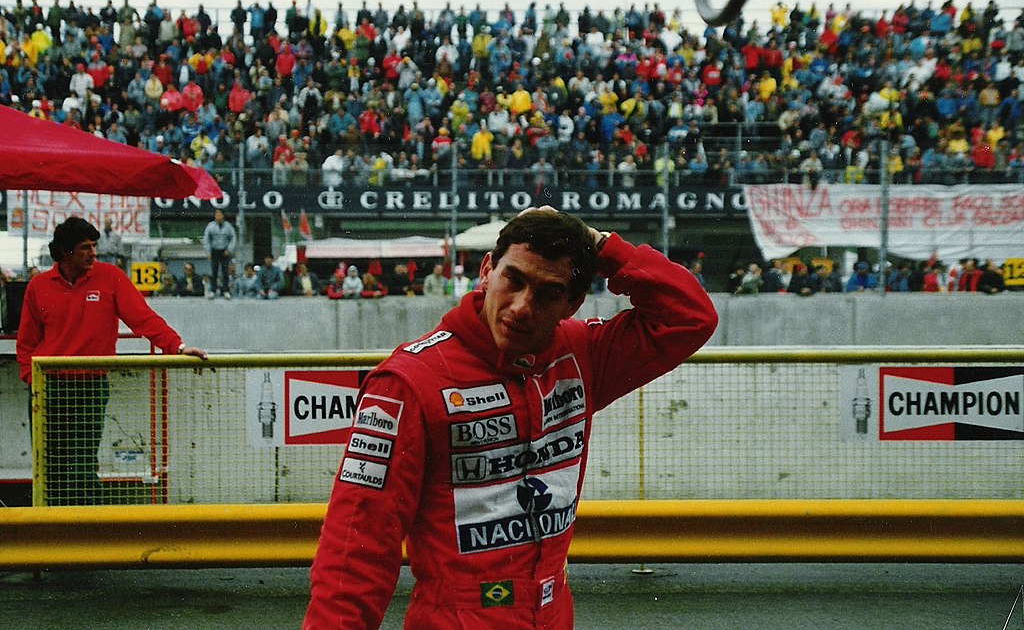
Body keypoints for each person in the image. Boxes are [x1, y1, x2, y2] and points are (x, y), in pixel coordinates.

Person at [304, 207, 717, 629]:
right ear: (487, 271)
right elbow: (354, 551)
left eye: (548, 292)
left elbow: (690, 317)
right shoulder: (408, 382)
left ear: (572, 303)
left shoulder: (582, 354)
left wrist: (600, 245)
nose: (521, 307)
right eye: (513, 280)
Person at [16, 217, 207, 506]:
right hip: (48, 388)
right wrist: (33, 382)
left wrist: (177, 347)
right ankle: (52, 527)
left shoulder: (110, 277)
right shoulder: (38, 286)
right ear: (66, 251)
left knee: (81, 467)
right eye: (85, 247)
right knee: (48, 468)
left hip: (90, 387)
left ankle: (85, 526)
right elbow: (26, 342)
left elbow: (143, 318)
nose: (93, 253)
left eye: (94, 246)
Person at [202, 210, 237, 298]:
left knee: (225, 271)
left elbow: (233, 238)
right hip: (214, 251)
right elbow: (206, 239)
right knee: (214, 271)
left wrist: (229, 249)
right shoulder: (210, 226)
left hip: (225, 251)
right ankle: (213, 290)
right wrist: (208, 252)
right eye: (216, 214)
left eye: (219, 214)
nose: (218, 216)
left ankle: (226, 291)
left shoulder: (228, 226)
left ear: (223, 216)